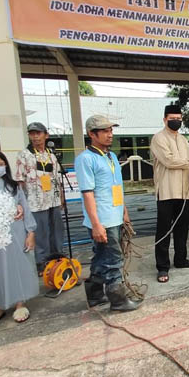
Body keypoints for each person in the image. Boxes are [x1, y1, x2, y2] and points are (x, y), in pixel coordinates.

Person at [75, 115, 141, 311]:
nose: (109, 135)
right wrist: (96, 224)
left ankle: (94, 295)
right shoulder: (85, 159)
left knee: (100, 257)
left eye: (111, 131)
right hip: (102, 219)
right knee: (114, 259)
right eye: (104, 131)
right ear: (91, 134)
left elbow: (117, 187)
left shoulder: (111, 157)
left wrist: (124, 211)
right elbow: (87, 194)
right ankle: (118, 300)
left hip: (115, 215)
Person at [0, 149, 38, 324]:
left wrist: (30, 232)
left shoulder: (13, 187)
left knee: (18, 266)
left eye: (0, 164)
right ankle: (0, 306)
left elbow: (24, 208)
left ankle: (20, 303)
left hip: (16, 234)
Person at [150, 105, 189, 283]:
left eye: (179, 118)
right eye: (172, 118)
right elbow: (169, 161)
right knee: (164, 230)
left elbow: (187, 165)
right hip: (166, 191)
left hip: (183, 191)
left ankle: (181, 259)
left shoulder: (184, 140)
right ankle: (162, 267)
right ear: (164, 119)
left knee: (182, 228)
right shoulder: (158, 138)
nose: (176, 121)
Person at [15, 122, 64, 272]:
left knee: (57, 230)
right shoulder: (24, 155)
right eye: (32, 134)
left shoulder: (51, 154)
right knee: (41, 232)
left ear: (46, 135)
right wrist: (20, 201)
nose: (35, 137)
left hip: (53, 199)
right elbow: (19, 180)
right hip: (35, 200)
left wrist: (61, 196)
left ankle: (58, 257)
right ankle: (41, 262)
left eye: (38, 133)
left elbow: (57, 177)